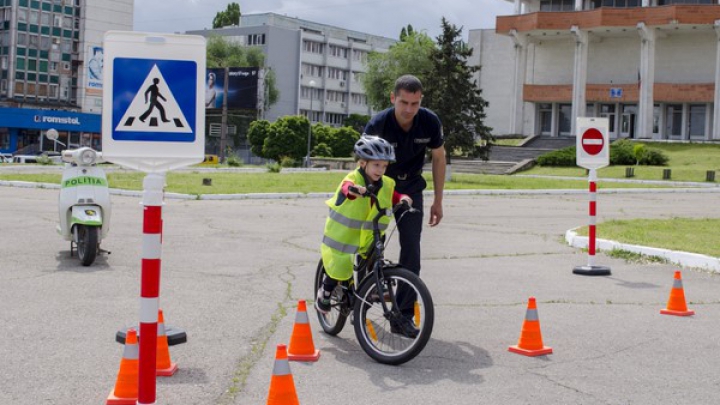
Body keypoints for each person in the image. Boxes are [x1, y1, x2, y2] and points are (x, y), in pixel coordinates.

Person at [316, 136, 418, 337]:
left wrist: (404, 198)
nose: (380, 170)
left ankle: (371, 293)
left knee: (374, 264)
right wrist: (355, 190)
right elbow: (346, 189)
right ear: (363, 163)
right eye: (376, 165)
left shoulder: (386, 183)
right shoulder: (353, 178)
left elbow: (394, 195)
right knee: (339, 268)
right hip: (343, 236)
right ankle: (325, 292)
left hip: (369, 236)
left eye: (384, 166)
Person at [363, 74, 446, 279]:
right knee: (370, 243)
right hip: (380, 185)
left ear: (421, 101)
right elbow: (362, 162)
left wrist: (438, 200)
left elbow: (438, 158)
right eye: (404, 103)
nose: (409, 110)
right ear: (393, 98)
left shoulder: (429, 121)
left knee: (411, 247)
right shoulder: (378, 124)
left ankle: (404, 309)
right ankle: (368, 295)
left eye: (415, 104)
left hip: (411, 186)